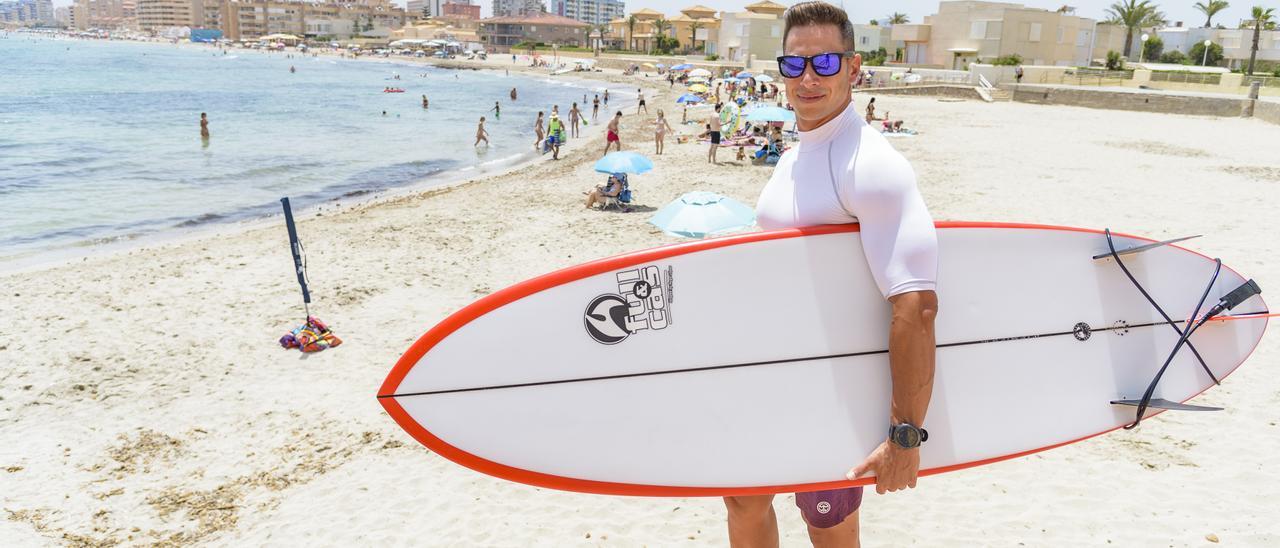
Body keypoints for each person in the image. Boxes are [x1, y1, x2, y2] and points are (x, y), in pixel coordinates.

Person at [743, 2, 940, 546]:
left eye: (826, 64)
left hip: (834, 386)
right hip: (770, 373)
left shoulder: (871, 165)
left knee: (827, 525)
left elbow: (915, 303)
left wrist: (906, 435)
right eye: (795, 64)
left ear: (854, 70)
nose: (808, 78)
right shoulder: (791, 156)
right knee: (742, 498)